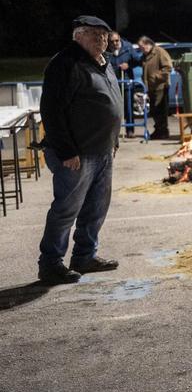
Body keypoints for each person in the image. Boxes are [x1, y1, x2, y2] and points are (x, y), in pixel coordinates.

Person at [36, 16, 123, 284]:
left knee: (96, 208)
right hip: (77, 153)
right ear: (78, 36)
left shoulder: (103, 63)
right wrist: (66, 151)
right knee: (66, 209)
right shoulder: (65, 64)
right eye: (95, 35)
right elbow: (51, 111)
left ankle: (85, 256)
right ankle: (50, 263)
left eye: (105, 35)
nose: (102, 40)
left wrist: (114, 139)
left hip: (102, 150)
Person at [137, 35, 173, 139]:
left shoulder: (159, 52)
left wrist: (156, 76)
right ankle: (159, 130)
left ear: (148, 44)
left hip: (160, 86)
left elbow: (168, 67)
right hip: (151, 87)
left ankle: (162, 131)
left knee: (160, 110)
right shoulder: (145, 56)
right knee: (154, 110)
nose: (141, 49)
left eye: (142, 47)